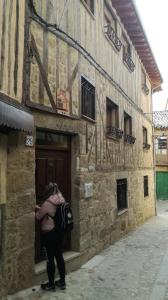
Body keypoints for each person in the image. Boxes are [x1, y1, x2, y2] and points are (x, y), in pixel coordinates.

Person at [35, 182, 66, 291]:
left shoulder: (47, 203)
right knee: (59, 256)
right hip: (59, 233)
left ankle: (51, 284)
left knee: (50, 259)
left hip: (49, 234)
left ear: (48, 192)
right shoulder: (61, 198)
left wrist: (38, 209)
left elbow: (38, 217)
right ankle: (62, 282)